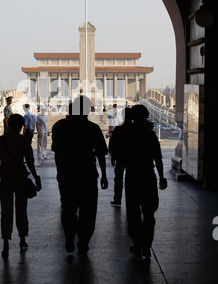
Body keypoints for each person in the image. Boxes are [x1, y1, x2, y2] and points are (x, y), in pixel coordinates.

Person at [51, 95, 108, 254]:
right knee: (88, 211)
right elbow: (101, 154)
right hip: (88, 174)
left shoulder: (60, 127)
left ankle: (69, 238)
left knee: (68, 208)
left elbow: (58, 153)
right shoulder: (93, 128)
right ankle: (84, 241)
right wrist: (103, 175)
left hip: (67, 174)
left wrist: (59, 171)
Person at [112, 104, 167, 259]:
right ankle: (147, 244)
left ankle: (137, 242)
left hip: (132, 177)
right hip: (148, 176)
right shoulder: (150, 135)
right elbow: (158, 158)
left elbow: (119, 156)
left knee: (133, 212)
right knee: (149, 213)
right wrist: (162, 177)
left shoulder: (125, 134)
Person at [0, 113, 42, 257]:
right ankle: (22, 239)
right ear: (21, 126)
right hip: (20, 179)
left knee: (6, 211)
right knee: (21, 210)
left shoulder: (1, 140)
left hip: (5, 179)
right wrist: (36, 177)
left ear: (9, 125)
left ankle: (6, 243)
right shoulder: (23, 141)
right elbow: (30, 162)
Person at [109, 107, 133, 206]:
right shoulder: (135, 129)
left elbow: (112, 144)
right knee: (132, 179)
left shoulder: (119, 129)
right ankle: (132, 199)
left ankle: (117, 198)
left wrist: (113, 156)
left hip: (120, 157)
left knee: (118, 179)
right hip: (133, 158)